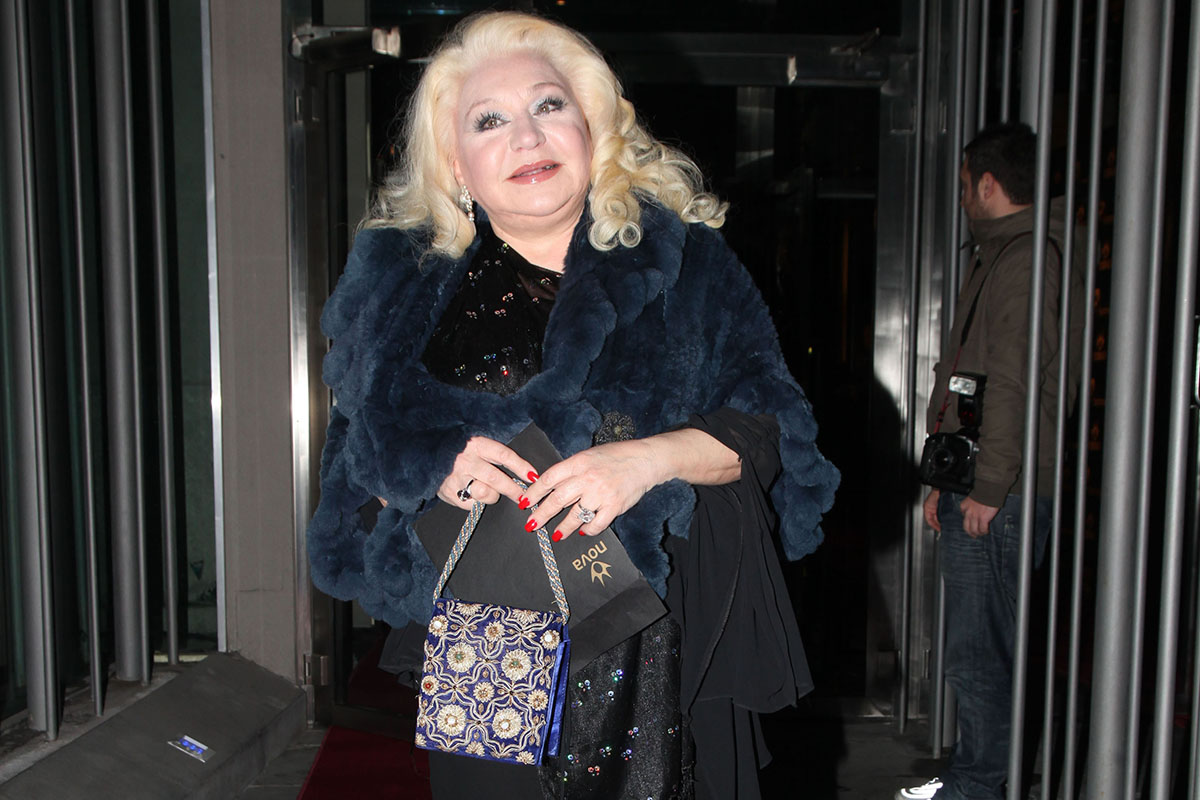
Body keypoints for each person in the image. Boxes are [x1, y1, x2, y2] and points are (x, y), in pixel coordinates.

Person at [307, 10, 839, 800]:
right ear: (456, 163)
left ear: (592, 126)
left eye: (548, 105)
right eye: (489, 120)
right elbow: (355, 475)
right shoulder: (399, 290)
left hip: (663, 613)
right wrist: (430, 468)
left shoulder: (686, 262)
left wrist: (644, 461)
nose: (526, 137)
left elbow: (770, 430)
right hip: (490, 636)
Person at [897, 123, 1085, 800]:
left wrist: (990, 485)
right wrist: (949, 484)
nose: (962, 198)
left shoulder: (1026, 258)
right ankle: (976, 775)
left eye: (964, 184)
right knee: (981, 647)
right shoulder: (1009, 253)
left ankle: (978, 785)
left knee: (981, 651)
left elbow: (1014, 382)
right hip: (985, 482)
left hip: (1001, 489)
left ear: (986, 183)